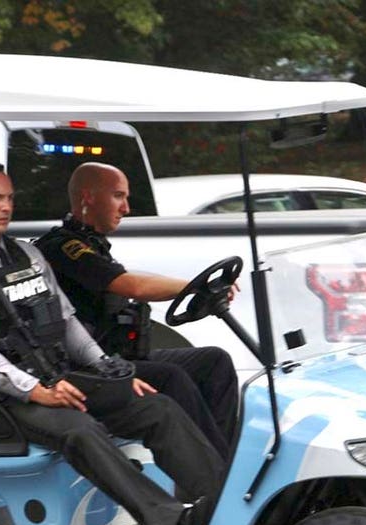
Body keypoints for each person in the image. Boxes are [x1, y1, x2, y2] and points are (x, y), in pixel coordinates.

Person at [0, 161, 224, 525]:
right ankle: (174, 521)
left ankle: (225, 507)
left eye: (10, 198)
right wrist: (34, 391)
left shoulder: (28, 256)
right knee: (79, 430)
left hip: (56, 376)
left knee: (155, 406)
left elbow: (67, 323)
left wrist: (109, 369)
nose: (6, 207)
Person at [34, 162, 239, 460]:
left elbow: (137, 279)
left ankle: (225, 461)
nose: (126, 208)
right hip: (86, 368)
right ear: (88, 197)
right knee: (170, 378)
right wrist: (194, 287)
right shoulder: (64, 248)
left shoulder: (92, 245)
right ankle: (212, 475)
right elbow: (132, 286)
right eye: (118, 196)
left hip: (117, 358)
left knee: (214, 361)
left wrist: (197, 286)